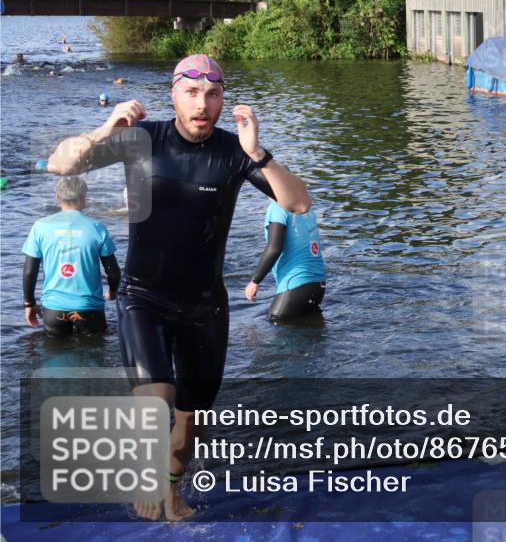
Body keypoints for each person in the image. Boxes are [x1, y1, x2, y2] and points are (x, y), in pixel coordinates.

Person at [46, 54, 311, 521]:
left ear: (221, 98)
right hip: (143, 296)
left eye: (212, 94)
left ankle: (171, 488)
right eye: (192, 93)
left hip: (205, 306)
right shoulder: (143, 139)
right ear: (173, 95)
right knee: (156, 400)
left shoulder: (234, 152)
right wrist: (107, 129)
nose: (202, 104)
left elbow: (299, 202)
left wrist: (258, 154)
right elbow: (57, 164)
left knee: (192, 422)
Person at [22, 177, 120, 336]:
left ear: (57, 197)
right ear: (84, 198)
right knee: (94, 355)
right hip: (89, 308)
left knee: (56, 356)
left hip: (54, 309)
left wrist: (29, 303)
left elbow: (29, 271)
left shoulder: (40, 226)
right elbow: (113, 272)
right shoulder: (97, 227)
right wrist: (113, 292)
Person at [245, 201, 326, 323]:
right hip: (318, 284)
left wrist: (255, 281)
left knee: (274, 324)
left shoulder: (278, 207)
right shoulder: (306, 207)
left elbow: (274, 248)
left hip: (295, 283)